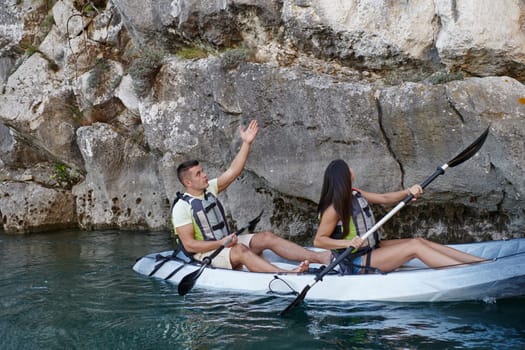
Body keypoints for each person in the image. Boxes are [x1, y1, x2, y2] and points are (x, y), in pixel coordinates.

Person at [172, 119, 332, 273]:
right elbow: (189, 245)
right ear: (188, 182)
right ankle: (286, 273)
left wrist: (247, 143)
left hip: (225, 244)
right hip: (205, 254)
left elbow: (234, 171)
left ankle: (320, 257)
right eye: (198, 174)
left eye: (202, 171)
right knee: (240, 250)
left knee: (266, 237)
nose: (204, 175)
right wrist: (221, 242)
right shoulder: (182, 207)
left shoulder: (210, 190)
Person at [313, 159, 484, 275]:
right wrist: (347, 243)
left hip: (371, 249)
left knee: (419, 241)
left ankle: (482, 264)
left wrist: (408, 192)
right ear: (343, 175)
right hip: (354, 261)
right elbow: (319, 241)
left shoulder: (354, 193)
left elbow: (384, 199)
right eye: (348, 167)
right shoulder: (333, 208)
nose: (352, 169)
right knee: (414, 248)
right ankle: (466, 273)